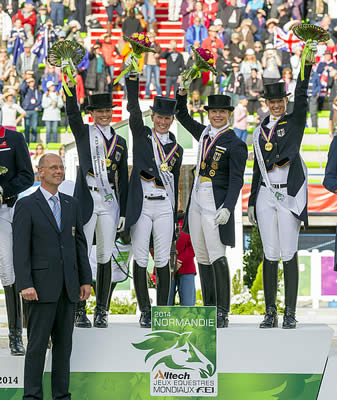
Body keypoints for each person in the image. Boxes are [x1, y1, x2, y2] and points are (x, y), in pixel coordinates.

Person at [247, 41, 318, 330]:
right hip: (265, 192)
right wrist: (252, 199)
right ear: (266, 103)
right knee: (269, 252)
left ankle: (290, 313)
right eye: (272, 102)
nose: (276, 105)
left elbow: (302, 95)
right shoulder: (259, 130)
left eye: (280, 102)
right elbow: (256, 169)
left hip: (287, 191)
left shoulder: (295, 120)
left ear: (284, 101)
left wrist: (306, 65)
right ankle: (270, 312)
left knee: (288, 252)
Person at [13, 153, 92, 400]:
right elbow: (20, 248)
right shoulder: (26, 204)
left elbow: (80, 243)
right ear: (41, 172)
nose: (58, 171)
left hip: (69, 289)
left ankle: (61, 396)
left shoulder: (72, 204)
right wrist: (25, 283)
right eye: (53, 167)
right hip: (39, 289)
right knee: (36, 347)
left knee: (63, 349)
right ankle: (32, 396)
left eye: (61, 167)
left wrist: (85, 279)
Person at [176, 89, 247, 328]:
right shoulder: (205, 133)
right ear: (209, 114)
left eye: (222, 112)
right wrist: (182, 94)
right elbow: (182, 116)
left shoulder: (235, 143)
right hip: (196, 200)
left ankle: (222, 311)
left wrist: (228, 207)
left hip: (215, 204)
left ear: (228, 114)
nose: (217, 115)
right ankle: (208, 307)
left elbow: (237, 179)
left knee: (217, 256)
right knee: (203, 258)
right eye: (214, 111)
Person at [65, 82, 128, 329]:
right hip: (88, 198)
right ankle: (80, 309)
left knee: (105, 255)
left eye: (107, 111)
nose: (104, 115)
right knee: (83, 253)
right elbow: (71, 113)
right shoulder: (84, 133)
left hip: (110, 200)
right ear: (92, 113)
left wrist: (124, 210)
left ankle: (102, 309)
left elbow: (122, 177)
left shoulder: (121, 141)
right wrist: (69, 86)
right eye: (99, 111)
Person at [125, 74, 183, 328]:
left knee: (162, 259)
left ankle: (162, 311)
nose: (162, 121)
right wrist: (133, 83)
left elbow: (177, 181)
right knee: (140, 257)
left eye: (167, 118)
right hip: (142, 203)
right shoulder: (142, 134)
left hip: (163, 206)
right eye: (159, 117)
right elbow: (133, 110)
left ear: (172, 120)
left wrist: (175, 216)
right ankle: (145, 310)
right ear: (153, 116)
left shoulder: (177, 149)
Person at [0, 125, 34, 356]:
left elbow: (27, 176)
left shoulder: (13, 138)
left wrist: (3, 191)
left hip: (4, 210)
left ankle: (15, 336)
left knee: (8, 270)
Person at [168, 210, 196, 306]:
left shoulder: (190, 219)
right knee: (165, 305)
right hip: (166, 267)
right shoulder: (161, 216)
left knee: (188, 307)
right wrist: (170, 261)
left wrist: (179, 260)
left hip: (186, 267)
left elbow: (194, 245)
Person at [22, 76, 42, 144]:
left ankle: (33, 142)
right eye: (29, 82)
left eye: (32, 81)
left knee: (34, 127)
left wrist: (38, 107)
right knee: (27, 127)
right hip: (27, 110)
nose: (31, 83)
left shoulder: (37, 91)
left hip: (34, 110)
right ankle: (26, 141)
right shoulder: (25, 90)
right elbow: (21, 89)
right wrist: (26, 81)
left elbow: (39, 100)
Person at [144, 31, 162, 99]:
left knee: (157, 80)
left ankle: (159, 93)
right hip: (148, 64)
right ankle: (147, 94)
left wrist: (158, 55)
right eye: (149, 37)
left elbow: (160, 51)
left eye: (152, 37)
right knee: (148, 80)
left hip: (156, 65)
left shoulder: (157, 45)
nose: (150, 38)